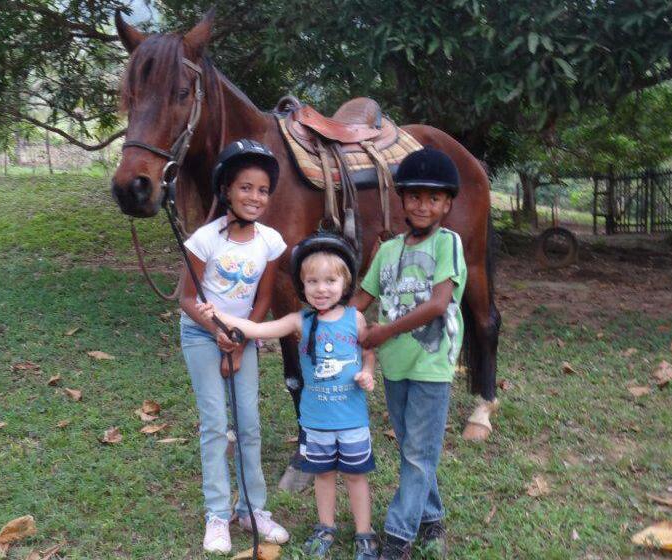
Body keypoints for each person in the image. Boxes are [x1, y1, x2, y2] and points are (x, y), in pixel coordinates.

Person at [198, 232, 381, 560]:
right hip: (316, 421)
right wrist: (217, 315)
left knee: (356, 477)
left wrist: (367, 371)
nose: (321, 289)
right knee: (323, 475)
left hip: (352, 420)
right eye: (313, 281)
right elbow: (258, 330)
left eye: (330, 281)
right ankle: (325, 527)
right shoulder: (300, 320)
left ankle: (364, 533)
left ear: (345, 283)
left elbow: (367, 350)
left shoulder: (355, 318)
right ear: (302, 285)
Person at [351, 147, 467, 560]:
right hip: (395, 366)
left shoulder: (447, 244)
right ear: (402, 199)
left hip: (432, 363)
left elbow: (438, 304)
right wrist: (324, 321)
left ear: (447, 204)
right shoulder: (387, 251)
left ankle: (398, 537)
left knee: (418, 452)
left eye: (434, 198)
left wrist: (383, 332)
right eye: (415, 196)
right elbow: (362, 300)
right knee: (412, 448)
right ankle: (432, 518)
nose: (423, 205)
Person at [179, 139, 290, 554]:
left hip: (244, 337)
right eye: (245, 187)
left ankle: (252, 510)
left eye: (263, 190)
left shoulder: (270, 241)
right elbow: (187, 298)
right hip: (201, 335)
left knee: (248, 424)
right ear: (226, 189)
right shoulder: (205, 240)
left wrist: (242, 340)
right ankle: (217, 514)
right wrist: (216, 332)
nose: (255, 197)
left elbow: (264, 297)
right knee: (214, 424)